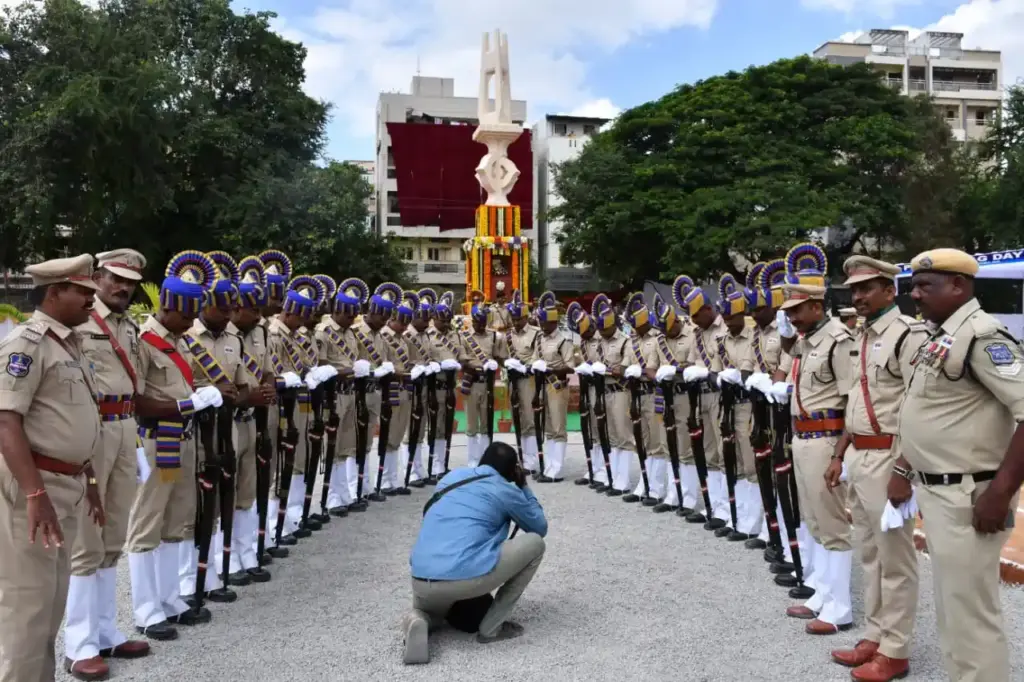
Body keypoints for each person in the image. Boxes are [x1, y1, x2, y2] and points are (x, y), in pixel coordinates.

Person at [899, 248, 1024, 682]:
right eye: (913, 285)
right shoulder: (943, 335)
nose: (914, 294)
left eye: (924, 286)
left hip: (970, 497)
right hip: (939, 493)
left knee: (971, 619)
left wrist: (1001, 493)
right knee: (954, 611)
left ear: (958, 285)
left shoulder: (982, 336)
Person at [0, 254, 103, 682]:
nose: (92, 301)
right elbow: (6, 420)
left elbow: (81, 419)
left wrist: (91, 480)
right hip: (37, 489)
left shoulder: (70, 343)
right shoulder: (27, 343)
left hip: (67, 485)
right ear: (54, 291)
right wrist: (34, 494)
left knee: (51, 605)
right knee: (29, 608)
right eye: (83, 292)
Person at [824, 256, 927, 682]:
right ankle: (875, 635)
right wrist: (839, 454)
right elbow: (855, 403)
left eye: (868, 288)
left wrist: (904, 471)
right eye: (854, 290)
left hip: (890, 458)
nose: (859, 296)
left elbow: (919, 407)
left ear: (891, 290)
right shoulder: (861, 336)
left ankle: (896, 650)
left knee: (896, 560)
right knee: (869, 554)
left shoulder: (907, 335)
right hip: (860, 456)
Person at [125, 251, 223, 639]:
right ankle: (145, 609)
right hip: (155, 439)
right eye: (187, 315)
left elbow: (179, 386)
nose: (192, 323)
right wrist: (186, 404)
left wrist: (202, 393)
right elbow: (135, 399)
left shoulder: (179, 341)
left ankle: (168, 599)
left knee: (175, 523)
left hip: (183, 439)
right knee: (147, 524)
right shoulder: (145, 341)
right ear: (168, 307)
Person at [64, 249, 151, 680]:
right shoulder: (79, 321)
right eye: (116, 279)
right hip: (93, 429)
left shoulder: (126, 325)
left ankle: (105, 631)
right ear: (97, 276)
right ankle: (78, 644)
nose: (123, 288)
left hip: (124, 426)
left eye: (130, 282)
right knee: (86, 538)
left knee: (114, 533)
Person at [403, 441, 548, 665]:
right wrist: (524, 486)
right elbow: (539, 527)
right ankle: (491, 628)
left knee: (431, 611)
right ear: (512, 471)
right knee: (535, 544)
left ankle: (418, 618)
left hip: (421, 579)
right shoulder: (505, 488)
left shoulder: (450, 478)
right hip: (463, 578)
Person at [774, 243, 856, 636]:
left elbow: (853, 399)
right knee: (813, 520)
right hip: (803, 437)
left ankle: (840, 606)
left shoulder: (838, 340)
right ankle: (822, 592)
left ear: (816, 307)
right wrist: (788, 335)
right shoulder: (808, 340)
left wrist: (841, 453)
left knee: (832, 521)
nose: (790, 316)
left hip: (826, 438)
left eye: (795, 309)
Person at [179, 252, 247, 603]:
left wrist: (244, 393)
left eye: (232, 309)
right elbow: (174, 389)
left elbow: (241, 384)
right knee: (194, 504)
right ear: (205, 304)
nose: (227, 316)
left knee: (221, 497)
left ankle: (211, 575)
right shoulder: (186, 337)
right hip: (194, 429)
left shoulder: (235, 340)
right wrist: (208, 393)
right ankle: (187, 582)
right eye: (222, 309)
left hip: (226, 427)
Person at [229, 256, 277, 582]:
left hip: (254, 419)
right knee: (227, 491)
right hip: (229, 419)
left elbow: (269, 368)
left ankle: (248, 553)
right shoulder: (224, 334)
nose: (259, 315)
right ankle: (227, 560)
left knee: (249, 488)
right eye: (253, 309)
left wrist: (269, 389)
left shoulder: (260, 332)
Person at [679, 280, 729, 529]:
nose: (694, 320)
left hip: (721, 394)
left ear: (709, 309)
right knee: (708, 451)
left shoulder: (725, 328)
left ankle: (729, 509)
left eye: (697, 315)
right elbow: (691, 362)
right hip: (702, 396)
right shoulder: (696, 334)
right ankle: (715, 506)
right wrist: (691, 370)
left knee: (723, 451)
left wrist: (706, 371)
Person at [715, 274, 761, 540]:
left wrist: (738, 377)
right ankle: (739, 517)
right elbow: (715, 371)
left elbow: (749, 372)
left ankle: (753, 523)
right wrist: (719, 377)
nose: (729, 323)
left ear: (742, 315)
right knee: (733, 460)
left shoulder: (753, 337)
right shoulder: (722, 341)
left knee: (750, 462)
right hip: (728, 404)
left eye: (733, 318)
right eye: (726, 318)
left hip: (748, 404)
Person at [319, 278, 370, 512]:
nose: (352, 320)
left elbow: (356, 357)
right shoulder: (324, 332)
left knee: (346, 446)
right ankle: (330, 498)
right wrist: (347, 370)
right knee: (333, 445)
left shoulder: (351, 332)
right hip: (334, 393)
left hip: (350, 392)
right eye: (348, 316)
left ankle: (343, 494)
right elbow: (321, 365)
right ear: (337, 310)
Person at [351, 283, 398, 499]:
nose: (385, 322)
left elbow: (387, 360)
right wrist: (372, 370)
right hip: (358, 392)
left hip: (375, 392)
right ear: (372, 313)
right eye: (382, 317)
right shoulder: (356, 332)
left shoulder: (380, 335)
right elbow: (352, 362)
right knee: (354, 441)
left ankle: (365, 487)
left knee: (368, 441)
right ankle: (353, 490)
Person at [622, 292, 669, 506]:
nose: (634, 328)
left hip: (653, 393)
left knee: (656, 443)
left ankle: (657, 489)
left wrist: (639, 370)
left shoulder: (657, 338)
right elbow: (624, 364)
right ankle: (644, 484)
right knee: (641, 441)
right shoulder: (632, 340)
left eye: (636, 324)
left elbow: (652, 369)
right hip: (636, 394)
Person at [653, 288, 696, 512]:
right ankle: (672, 494)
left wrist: (675, 369)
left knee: (685, 446)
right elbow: (650, 368)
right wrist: (659, 373)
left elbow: (693, 365)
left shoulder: (692, 335)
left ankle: (687, 497)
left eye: (667, 328)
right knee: (667, 444)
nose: (664, 333)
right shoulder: (660, 339)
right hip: (664, 395)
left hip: (685, 395)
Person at [531, 292, 576, 482]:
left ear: (553, 323)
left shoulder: (563, 341)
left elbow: (570, 367)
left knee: (558, 427)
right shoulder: (540, 339)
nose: (541, 325)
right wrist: (534, 365)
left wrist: (549, 368)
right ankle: (548, 466)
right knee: (547, 426)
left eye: (544, 323)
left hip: (557, 386)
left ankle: (556, 469)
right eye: (540, 322)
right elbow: (534, 359)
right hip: (542, 386)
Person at [593, 294, 635, 497]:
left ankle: (624, 480)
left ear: (613, 326)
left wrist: (607, 370)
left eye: (604, 329)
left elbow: (623, 369)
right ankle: (614, 477)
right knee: (611, 436)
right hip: (604, 391)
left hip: (619, 391)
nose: (601, 332)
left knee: (623, 436)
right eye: (599, 329)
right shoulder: (600, 342)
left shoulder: (625, 342)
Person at [458, 303, 507, 467]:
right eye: (477, 322)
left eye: (483, 322)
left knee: (486, 422)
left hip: (487, 383)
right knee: (472, 423)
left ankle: (486, 460)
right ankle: (472, 460)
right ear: (472, 321)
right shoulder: (464, 336)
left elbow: (500, 357)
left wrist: (499, 363)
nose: (480, 325)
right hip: (472, 382)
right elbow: (462, 361)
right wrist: (478, 366)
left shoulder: (493, 337)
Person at [379, 290, 417, 493]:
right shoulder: (385, 337)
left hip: (405, 389)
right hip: (392, 388)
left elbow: (409, 360)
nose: (404, 327)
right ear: (392, 319)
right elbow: (383, 365)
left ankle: (394, 479)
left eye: (406, 323)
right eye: (401, 323)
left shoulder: (403, 339)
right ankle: (385, 481)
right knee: (389, 435)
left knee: (399, 433)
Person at [403, 289, 439, 487]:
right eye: (424, 319)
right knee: (411, 429)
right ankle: (411, 472)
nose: (427, 323)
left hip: (425, 385)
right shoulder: (408, 335)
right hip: (411, 385)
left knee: (421, 428)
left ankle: (418, 468)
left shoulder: (426, 335)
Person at [567, 302, 605, 489]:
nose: (584, 337)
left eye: (586, 333)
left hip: (603, 388)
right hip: (588, 388)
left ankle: (605, 470)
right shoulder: (583, 341)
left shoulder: (601, 340)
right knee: (591, 429)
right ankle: (594, 469)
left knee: (603, 429)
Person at [426, 292, 462, 480]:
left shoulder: (455, 335)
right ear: (434, 319)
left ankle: (442, 465)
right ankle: (432, 466)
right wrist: (438, 365)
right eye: (442, 321)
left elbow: (461, 356)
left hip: (450, 385)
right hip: (435, 385)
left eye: (448, 321)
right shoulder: (428, 336)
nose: (446, 325)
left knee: (446, 426)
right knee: (435, 426)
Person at [505, 290, 541, 473]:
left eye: (519, 319)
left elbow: (537, 357)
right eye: (513, 319)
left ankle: (531, 460)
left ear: (526, 317)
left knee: (529, 418)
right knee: (516, 416)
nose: (516, 322)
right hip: (513, 381)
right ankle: (522, 457)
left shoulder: (535, 334)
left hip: (528, 379)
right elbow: (501, 355)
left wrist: (525, 366)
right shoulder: (508, 336)